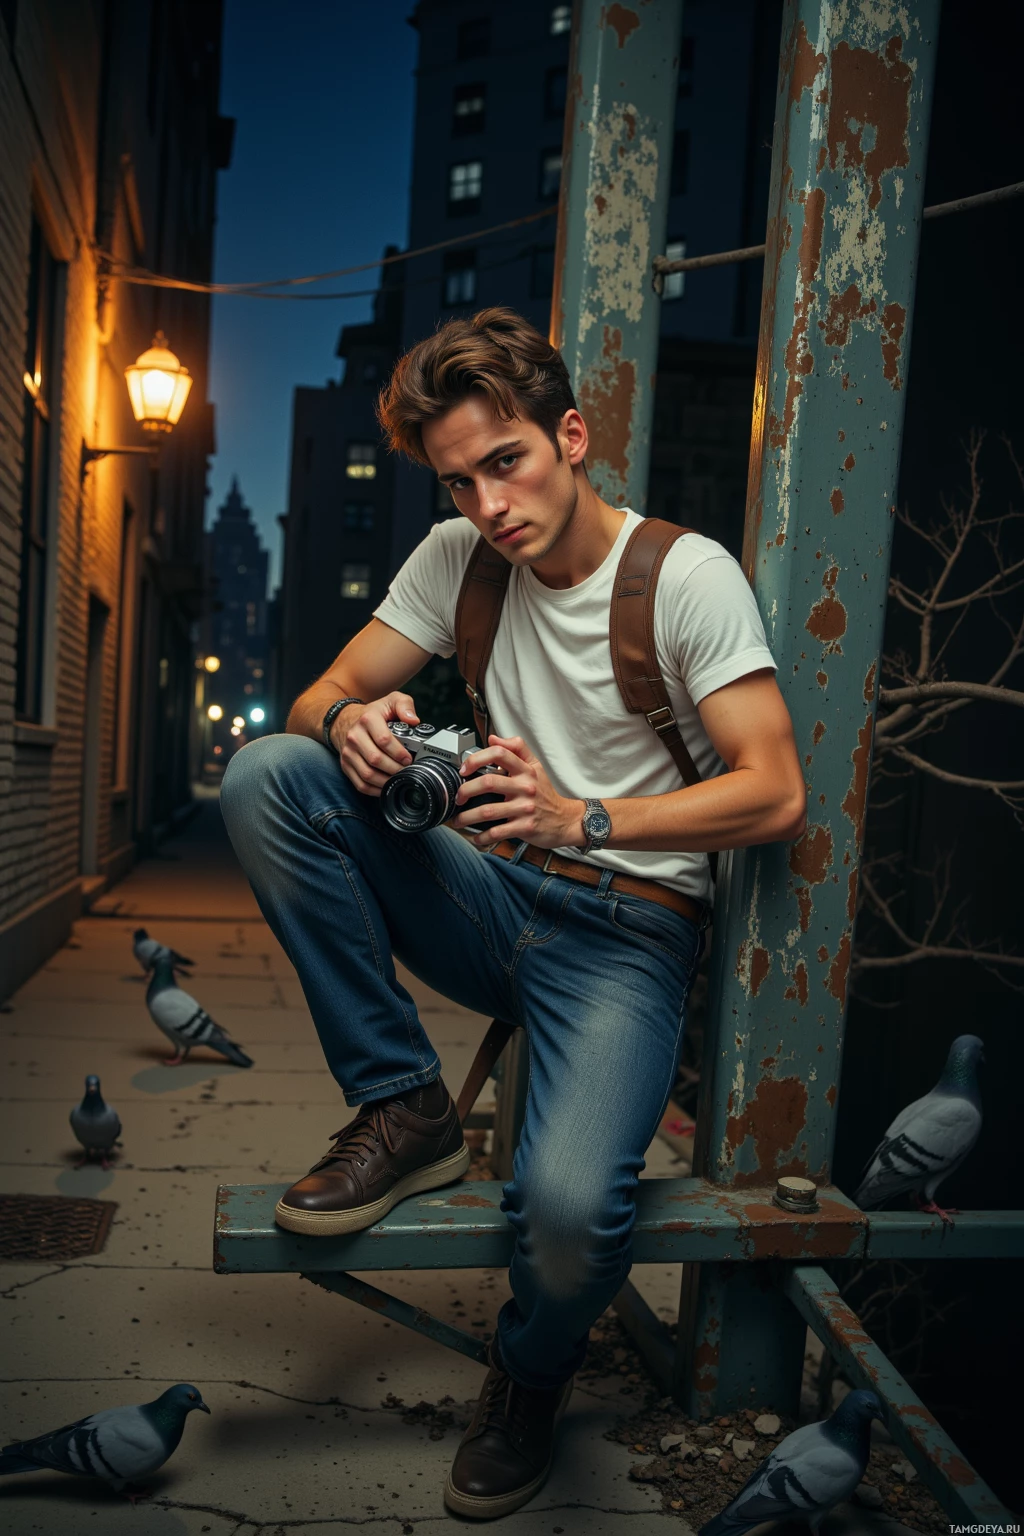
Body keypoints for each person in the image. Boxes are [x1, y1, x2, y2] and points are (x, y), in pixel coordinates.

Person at [220, 307, 806, 1520]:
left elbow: (773, 791)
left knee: (564, 1211)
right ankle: (402, 1106)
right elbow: (317, 696)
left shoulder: (683, 578)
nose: (488, 504)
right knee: (271, 777)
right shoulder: (457, 562)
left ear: (569, 435)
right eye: (458, 480)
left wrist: (581, 817)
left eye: (507, 462)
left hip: (627, 938)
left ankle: (527, 1376)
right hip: (487, 894)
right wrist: (353, 727)